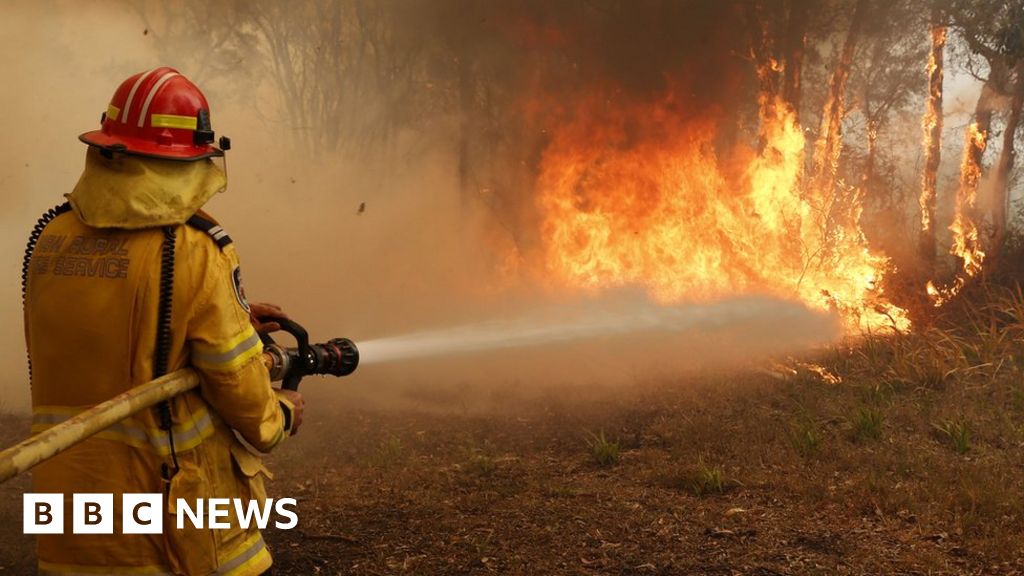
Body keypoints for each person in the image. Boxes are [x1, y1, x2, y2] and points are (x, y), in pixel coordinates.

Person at [22, 66, 303, 576]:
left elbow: (104, 332)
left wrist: (228, 312)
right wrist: (281, 413)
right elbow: (239, 387)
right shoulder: (193, 246)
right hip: (175, 526)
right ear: (188, 161)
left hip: (70, 520)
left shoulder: (52, 238)